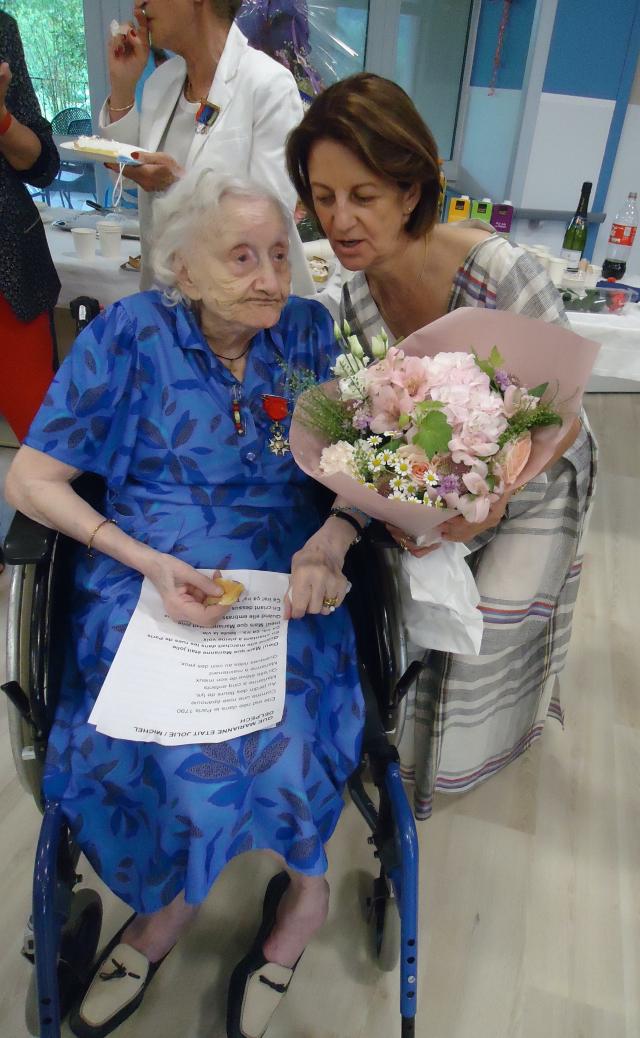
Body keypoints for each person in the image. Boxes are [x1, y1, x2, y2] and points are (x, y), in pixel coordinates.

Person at [5, 171, 364, 1038]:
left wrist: (336, 535)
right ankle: (170, 907)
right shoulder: (130, 336)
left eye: (280, 254)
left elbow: (372, 472)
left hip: (286, 573)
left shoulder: (313, 336)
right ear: (182, 269)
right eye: (240, 256)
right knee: (154, 742)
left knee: (290, 739)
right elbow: (31, 477)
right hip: (147, 571)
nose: (271, 276)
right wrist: (143, 560)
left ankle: (304, 899)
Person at [286, 72, 597, 819]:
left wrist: (494, 498)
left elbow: (565, 413)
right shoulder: (355, 299)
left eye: (362, 195)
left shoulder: (497, 273)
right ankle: (408, 764)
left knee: (492, 625)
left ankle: (468, 766)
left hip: (538, 475)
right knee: (423, 620)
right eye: (324, 198)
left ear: (410, 190)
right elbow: (375, 427)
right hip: (440, 486)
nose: (341, 220)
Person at [99, 0, 313, 294]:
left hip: (241, 307)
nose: (140, 4)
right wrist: (122, 84)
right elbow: (126, 181)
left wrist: (178, 184)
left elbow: (273, 218)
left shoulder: (268, 84)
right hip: (166, 301)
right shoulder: (161, 83)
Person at [0, 11, 60, 572]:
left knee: (45, 438)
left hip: (8, 276)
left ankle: (53, 570)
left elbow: (43, 163)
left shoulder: (0, 28)